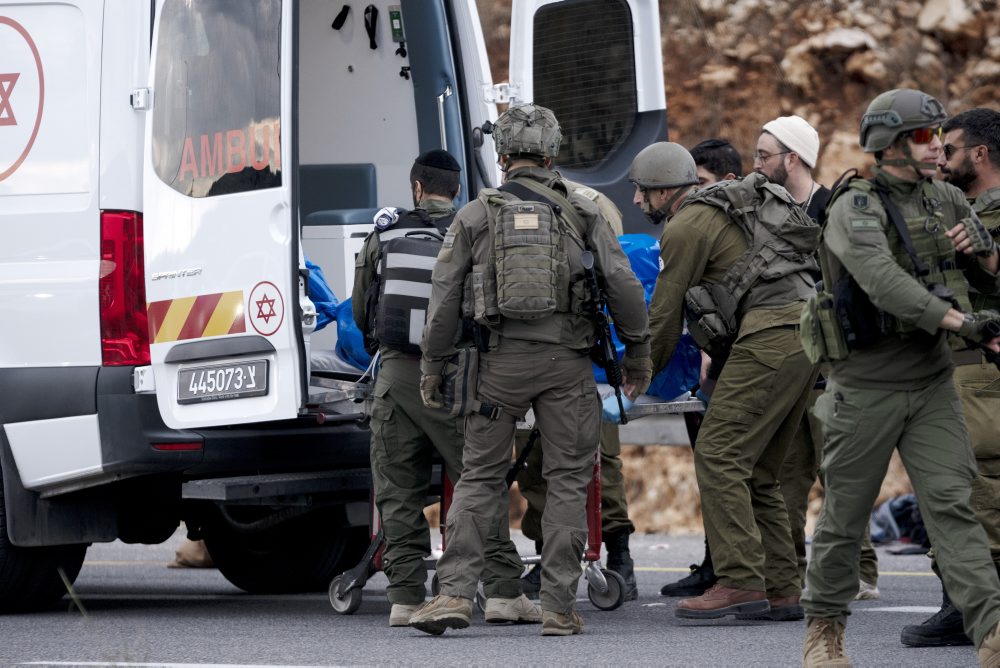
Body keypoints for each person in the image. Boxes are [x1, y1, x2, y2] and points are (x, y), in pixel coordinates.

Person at [409, 104, 651, 636]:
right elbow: (625, 287)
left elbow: (444, 298)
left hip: (498, 367)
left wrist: (433, 366)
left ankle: (453, 595)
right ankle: (560, 606)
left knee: (479, 477)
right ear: (551, 153)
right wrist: (638, 354)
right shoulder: (583, 212)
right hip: (566, 367)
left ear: (502, 156)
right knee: (567, 479)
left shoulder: (475, 215)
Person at [800, 88, 1000, 667]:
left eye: (939, 136)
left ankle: (991, 631)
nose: (938, 147)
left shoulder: (945, 199)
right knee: (846, 514)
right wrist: (966, 323)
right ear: (890, 145)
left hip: (932, 379)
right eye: (923, 136)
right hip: (865, 384)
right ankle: (824, 631)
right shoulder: (854, 206)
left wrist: (985, 255)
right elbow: (883, 283)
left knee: (953, 504)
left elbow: (991, 277)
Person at [632, 141, 819, 622]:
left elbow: (665, 313)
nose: (638, 202)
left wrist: (636, 376)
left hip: (771, 333)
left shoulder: (686, 225)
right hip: (809, 335)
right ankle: (781, 588)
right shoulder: (728, 208)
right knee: (758, 470)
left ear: (666, 190)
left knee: (717, 453)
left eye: (643, 192)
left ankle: (737, 580)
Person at [351, 149, 535, 628]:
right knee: (480, 487)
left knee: (397, 492)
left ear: (416, 187)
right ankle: (502, 592)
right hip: (457, 379)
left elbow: (359, 308)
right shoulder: (476, 230)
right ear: (457, 191)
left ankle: (406, 597)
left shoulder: (385, 234)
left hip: (393, 377)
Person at [755, 115, 881, 602]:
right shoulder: (766, 212)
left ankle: (861, 570)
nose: (757, 165)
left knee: (841, 471)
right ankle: (791, 570)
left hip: (839, 365)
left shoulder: (836, 209)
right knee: (788, 470)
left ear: (793, 158)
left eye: (765, 155)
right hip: (791, 360)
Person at [901, 107, 1000, 648]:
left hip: (975, 368)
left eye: (952, 149)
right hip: (963, 365)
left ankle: (966, 608)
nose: (941, 157)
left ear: (980, 155)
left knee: (967, 487)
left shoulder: (983, 215)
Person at [515, 180, 639, 602]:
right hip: (554, 350)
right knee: (557, 462)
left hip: (575, 351)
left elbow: (614, 275)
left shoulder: (582, 204)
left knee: (588, 462)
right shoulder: (589, 202)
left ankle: (616, 555)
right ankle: (566, 558)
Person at [659, 138, 742, 598]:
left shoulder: (718, 226)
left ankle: (737, 573)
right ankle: (719, 564)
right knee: (715, 464)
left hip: (732, 361)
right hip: (709, 363)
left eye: (703, 183)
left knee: (728, 464)